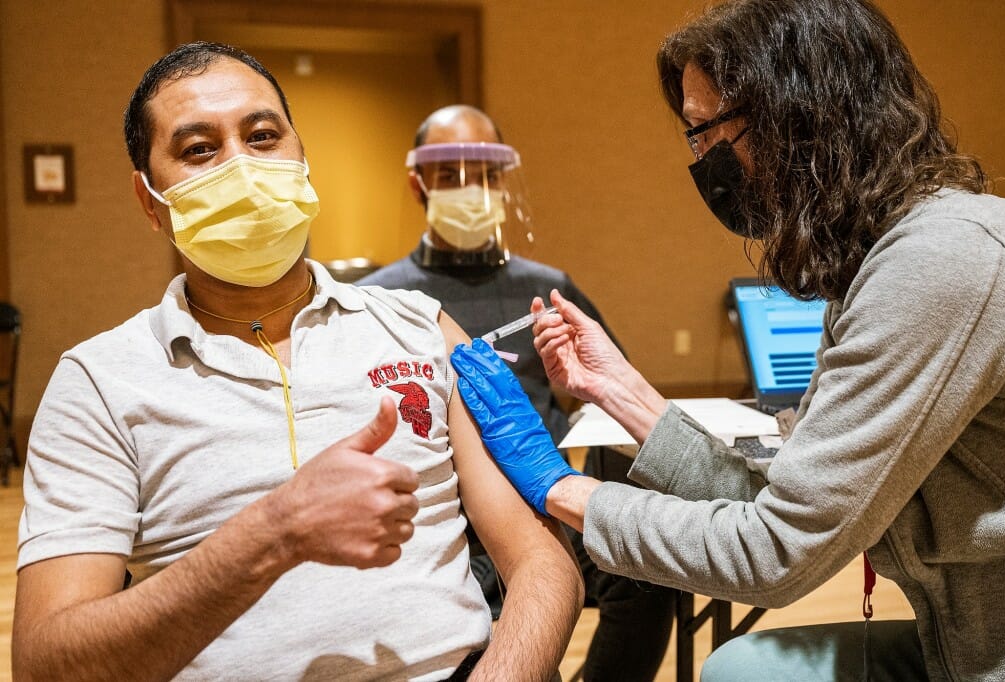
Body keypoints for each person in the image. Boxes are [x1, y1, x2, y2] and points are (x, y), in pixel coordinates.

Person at [450, 0, 1005, 680]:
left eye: (707, 134)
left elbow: (774, 550)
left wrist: (555, 486)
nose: (704, 165)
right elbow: (785, 496)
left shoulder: (942, 263)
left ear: (800, 113)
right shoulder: (886, 262)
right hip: (958, 638)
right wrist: (619, 390)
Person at [12, 41, 583, 681]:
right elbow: (46, 663)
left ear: (301, 160)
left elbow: (542, 563)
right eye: (199, 149)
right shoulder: (99, 382)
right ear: (151, 201)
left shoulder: (420, 329)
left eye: (262, 136)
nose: (241, 168)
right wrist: (273, 533)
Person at [358, 105, 676, 681]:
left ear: (503, 183)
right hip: (447, 522)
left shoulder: (545, 286)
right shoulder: (380, 302)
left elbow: (610, 391)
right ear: (418, 184)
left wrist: (576, 387)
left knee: (647, 575)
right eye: (450, 174)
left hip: (553, 503)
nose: (471, 189)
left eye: (485, 174)